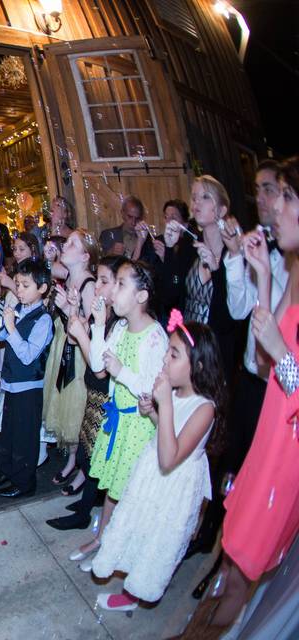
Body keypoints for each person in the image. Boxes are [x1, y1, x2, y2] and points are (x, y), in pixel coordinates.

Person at [185, 157, 299, 635]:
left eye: (286, 196)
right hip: (273, 421)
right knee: (235, 557)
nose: (272, 206)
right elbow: (270, 330)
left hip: (287, 442)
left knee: (245, 566)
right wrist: (262, 275)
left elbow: (283, 360)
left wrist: (280, 355)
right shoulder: (292, 267)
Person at [91, 315, 224, 611]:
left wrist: (162, 407)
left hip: (174, 485)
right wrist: (152, 411)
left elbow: (170, 457)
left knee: (157, 540)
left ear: (198, 367)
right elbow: (166, 433)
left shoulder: (205, 409)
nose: (165, 358)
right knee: (140, 527)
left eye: (174, 354)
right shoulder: (175, 392)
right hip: (152, 474)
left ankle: (138, 593)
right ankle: (130, 586)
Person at [70, 260, 167, 571]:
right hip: (118, 422)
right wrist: (98, 326)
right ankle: (103, 539)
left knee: (128, 492)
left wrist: (123, 372)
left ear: (141, 296)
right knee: (113, 487)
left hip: (138, 425)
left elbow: (154, 391)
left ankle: (117, 547)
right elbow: (98, 364)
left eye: (122, 284)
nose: (113, 290)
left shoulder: (155, 337)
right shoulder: (122, 327)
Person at [47, 256, 127, 529]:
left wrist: (83, 331)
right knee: (87, 453)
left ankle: (84, 512)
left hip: (105, 394)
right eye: (99, 279)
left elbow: (100, 365)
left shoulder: (117, 322)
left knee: (93, 455)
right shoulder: (108, 316)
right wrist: (71, 311)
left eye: (104, 281)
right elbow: (73, 335)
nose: (99, 286)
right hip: (94, 390)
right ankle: (87, 503)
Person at [0, 259, 54, 498]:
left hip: (29, 388)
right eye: (18, 284)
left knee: (25, 438)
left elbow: (27, 355)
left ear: (42, 288)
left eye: (25, 285)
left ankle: (25, 483)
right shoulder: (21, 312)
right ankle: (7, 472)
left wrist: (12, 327)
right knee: (9, 434)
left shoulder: (43, 320)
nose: (19, 290)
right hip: (11, 385)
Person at [162, 176, 242, 376]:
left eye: (205, 197)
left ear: (222, 210)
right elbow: (171, 293)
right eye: (194, 197)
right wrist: (171, 252)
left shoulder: (232, 256)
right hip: (184, 349)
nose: (196, 202)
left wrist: (216, 271)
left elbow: (227, 320)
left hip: (215, 355)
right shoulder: (190, 248)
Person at [42, 230, 99, 486]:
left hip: (78, 353)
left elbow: (94, 327)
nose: (66, 245)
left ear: (85, 256)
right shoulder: (68, 275)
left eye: (72, 243)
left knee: (77, 407)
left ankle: (84, 468)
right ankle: (71, 461)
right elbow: (48, 270)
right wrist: (49, 256)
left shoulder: (88, 284)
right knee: (65, 403)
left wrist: (69, 311)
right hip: (62, 345)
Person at [99, 196, 157, 262]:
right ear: (122, 213)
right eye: (130, 217)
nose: (133, 222)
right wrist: (110, 253)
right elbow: (99, 260)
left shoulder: (147, 239)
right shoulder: (107, 235)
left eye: (137, 218)